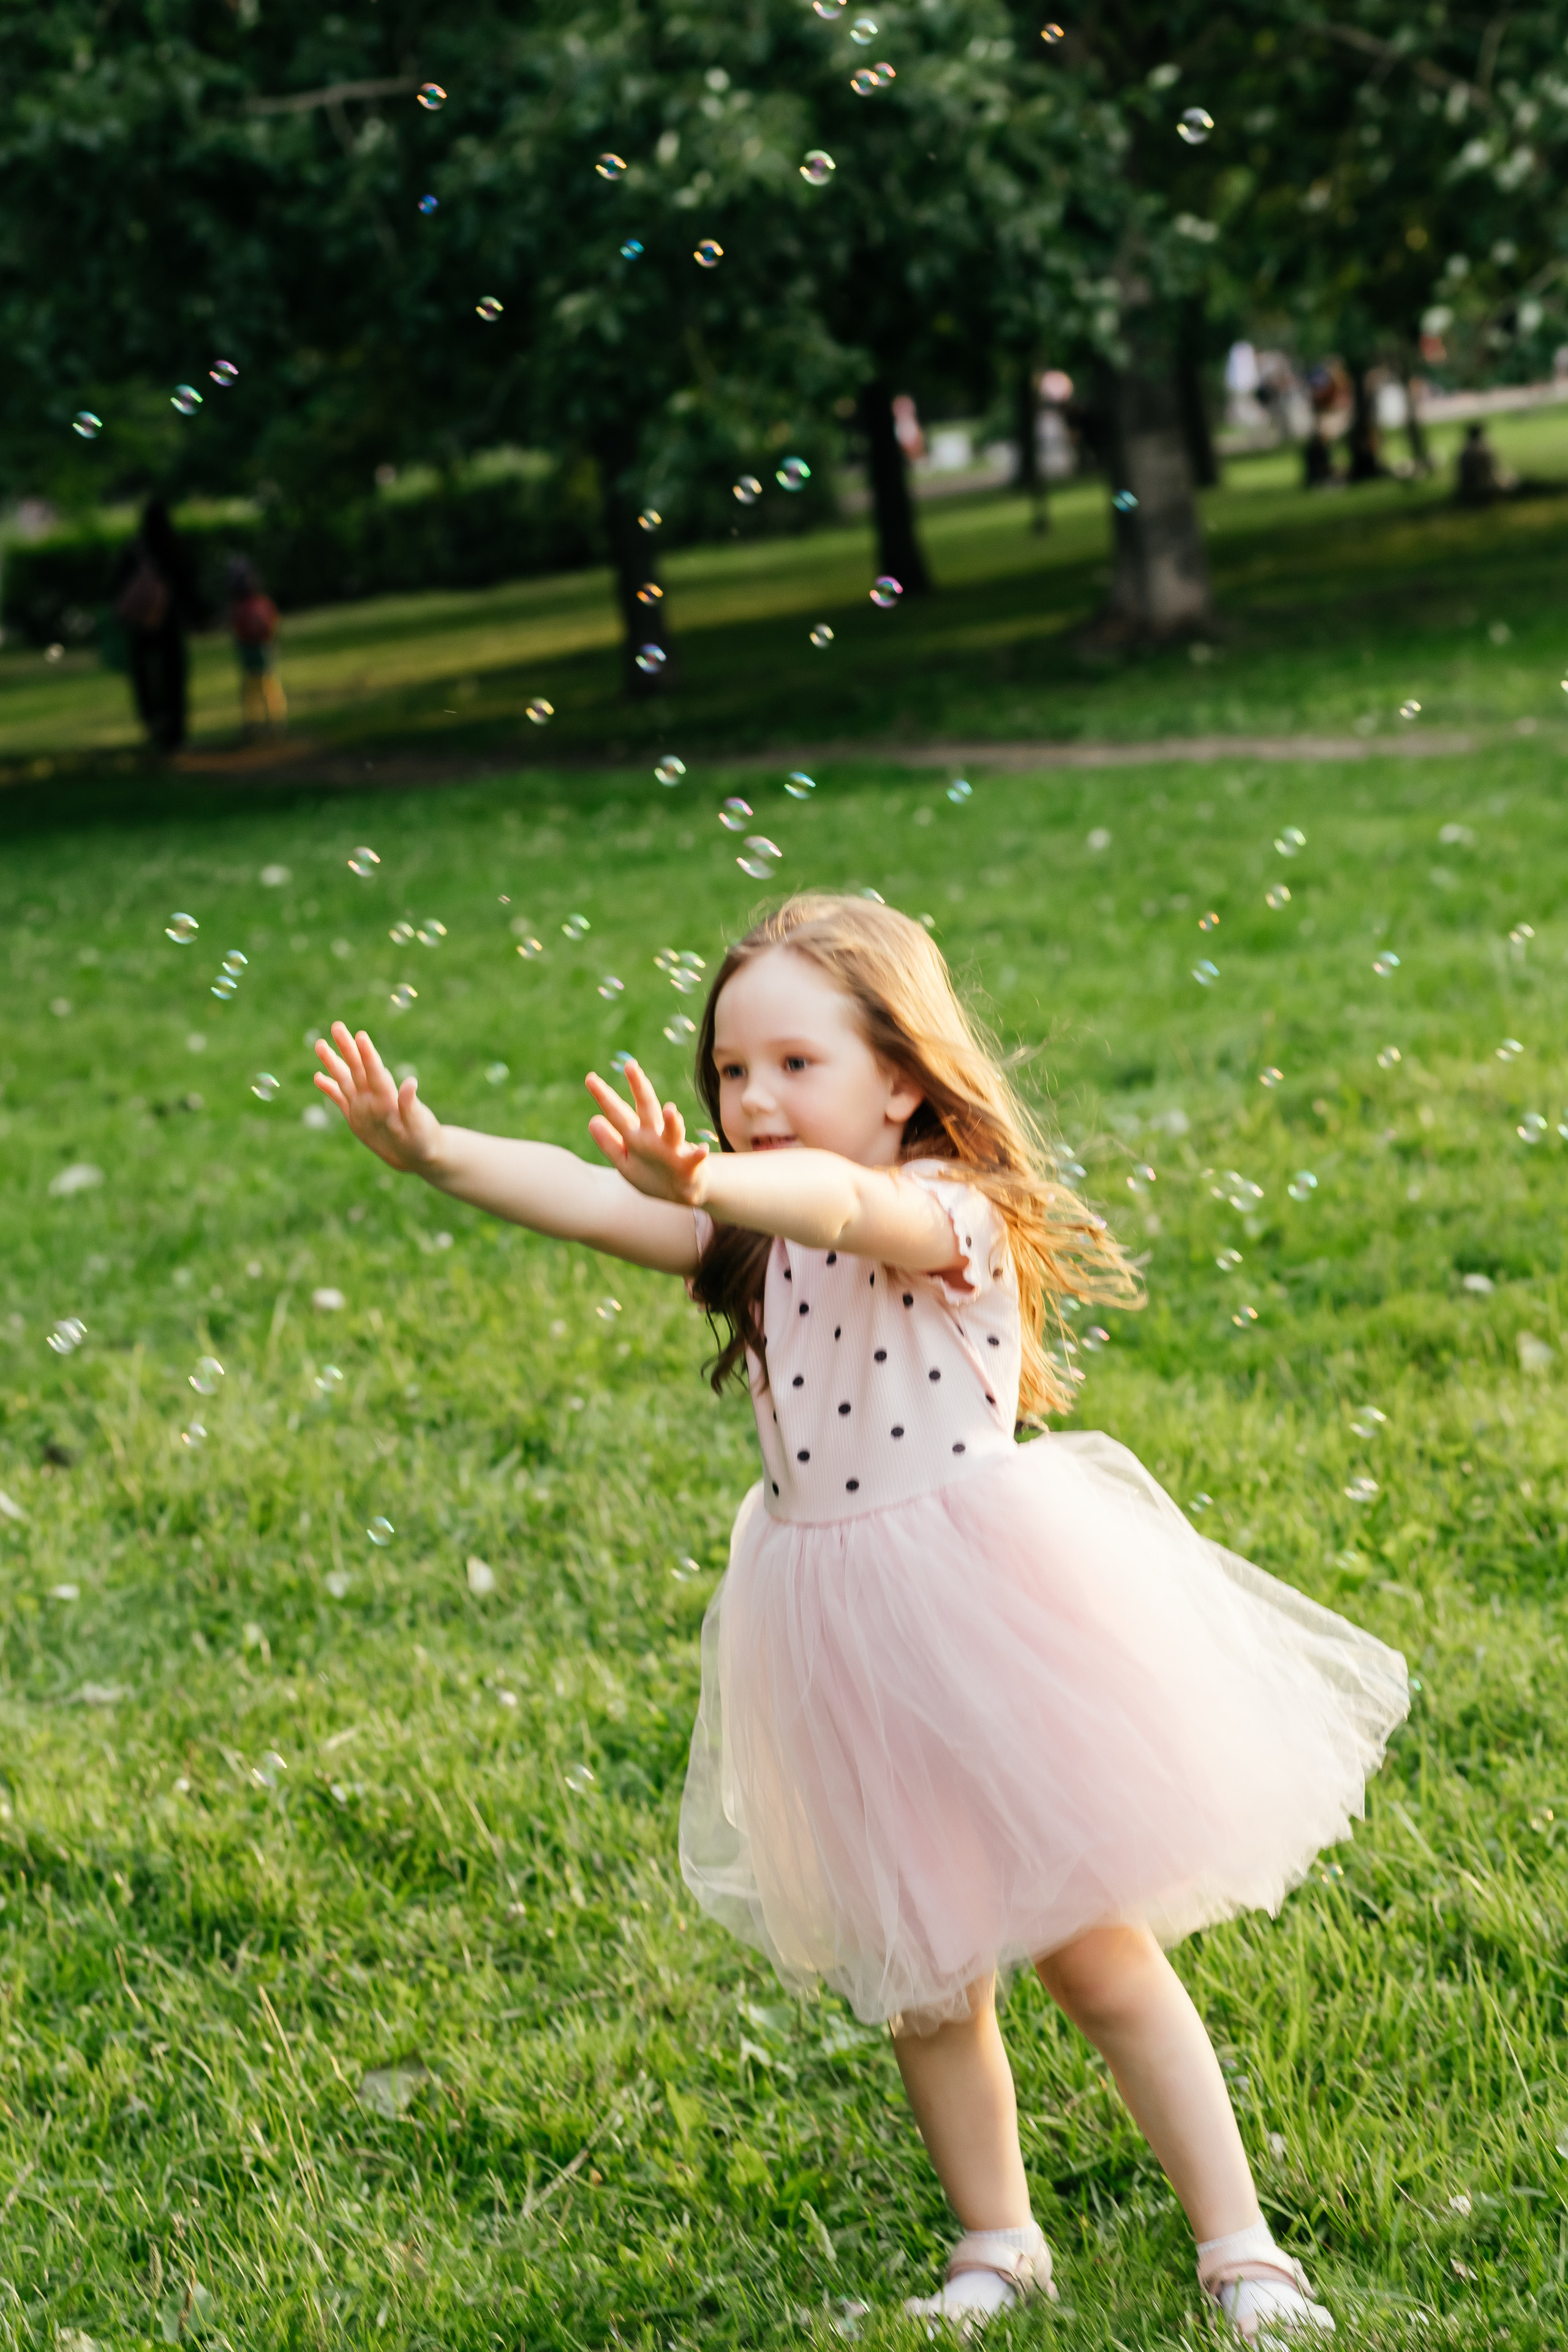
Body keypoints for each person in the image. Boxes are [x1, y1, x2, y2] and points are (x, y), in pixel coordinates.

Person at [312, 894, 1408, 2341]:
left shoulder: (948, 1214)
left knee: (1091, 1950)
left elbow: (844, 1209)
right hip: (834, 1629)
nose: (752, 1097)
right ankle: (994, 2241)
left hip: (991, 1616)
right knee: (923, 1970)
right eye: (729, 1070)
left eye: (793, 1064)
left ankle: (1241, 2247)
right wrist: (433, 1148)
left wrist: (710, 1176)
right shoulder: (743, 1231)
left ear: (898, 1080)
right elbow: (583, 1195)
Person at [110, 497, 200, 752]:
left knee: (145, 677)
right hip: (170, 623)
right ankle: (175, 730)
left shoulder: (134, 550)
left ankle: (153, 721)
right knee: (173, 675)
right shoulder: (173, 547)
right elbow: (187, 583)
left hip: (140, 626)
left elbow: (118, 586)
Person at [226, 557, 287, 736]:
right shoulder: (247, 606)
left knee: (265, 684)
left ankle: (273, 721)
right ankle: (257, 723)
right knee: (255, 686)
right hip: (252, 649)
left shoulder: (258, 604)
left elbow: (271, 624)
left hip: (259, 647)